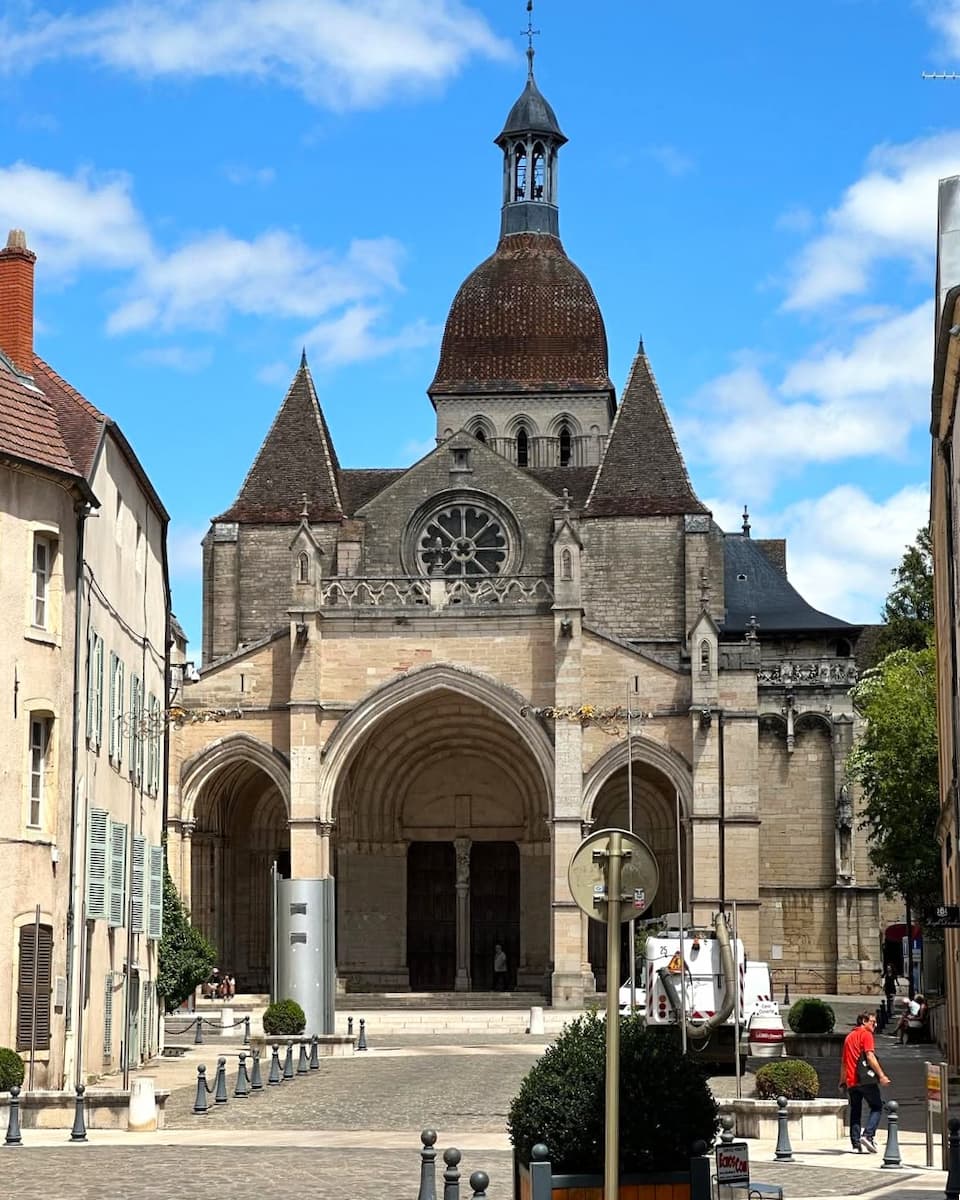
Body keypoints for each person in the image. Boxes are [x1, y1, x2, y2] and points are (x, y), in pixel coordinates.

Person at [839, 1010, 890, 1153]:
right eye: (873, 1022)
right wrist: (881, 1075)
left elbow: (844, 1062)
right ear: (864, 1021)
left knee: (855, 1110)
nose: (875, 1025)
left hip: (851, 1081)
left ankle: (856, 1144)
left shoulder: (849, 1037)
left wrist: (842, 1081)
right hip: (865, 1079)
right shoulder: (866, 1034)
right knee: (877, 1106)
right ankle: (868, 1135)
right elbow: (870, 1057)